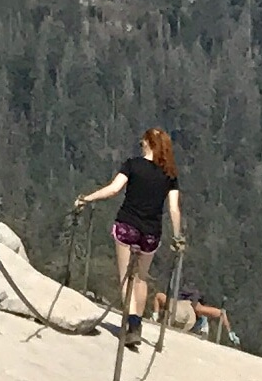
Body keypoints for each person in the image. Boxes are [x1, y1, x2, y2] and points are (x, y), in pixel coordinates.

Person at [76, 128, 184, 351]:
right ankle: (138, 325)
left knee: (127, 278)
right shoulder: (169, 174)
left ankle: (131, 323)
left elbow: (113, 189)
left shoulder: (133, 165)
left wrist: (87, 199)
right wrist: (177, 235)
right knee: (142, 278)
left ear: (147, 143)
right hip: (152, 232)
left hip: (127, 225)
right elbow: (174, 208)